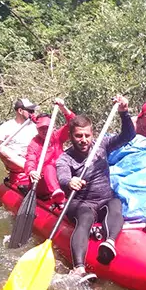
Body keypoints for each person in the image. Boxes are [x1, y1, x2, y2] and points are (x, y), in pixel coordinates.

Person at [56, 95, 136, 278]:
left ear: (93, 134)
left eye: (87, 135)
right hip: (80, 203)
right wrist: (70, 182)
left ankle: (109, 242)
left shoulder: (102, 145)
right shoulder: (65, 158)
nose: (83, 140)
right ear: (71, 137)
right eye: (78, 136)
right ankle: (78, 269)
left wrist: (124, 113)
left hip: (104, 199)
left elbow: (128, 136)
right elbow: (62, 177)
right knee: (85, 216)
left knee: (116, 203)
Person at [24, 98, 75, 205]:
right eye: (41, 128)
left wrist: (63, 107)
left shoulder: (57, 136)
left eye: (47, 127)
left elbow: (73, 122)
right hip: (42, 183)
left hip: (61, 177)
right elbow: (30, 160)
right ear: (37, 129)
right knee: (49, 167)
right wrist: (31, 171)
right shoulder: (34, 143)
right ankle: (57, 194)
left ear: (52, 127)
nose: (44, 131)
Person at [0, 98, 38, 186]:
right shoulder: (7, 126)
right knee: (2, 149)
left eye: (33, 111)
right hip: (16, 164)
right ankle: (32, 170)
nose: (33, 113)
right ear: (20, 110)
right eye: (30, 111)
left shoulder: (36, 126)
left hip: (32, 160)